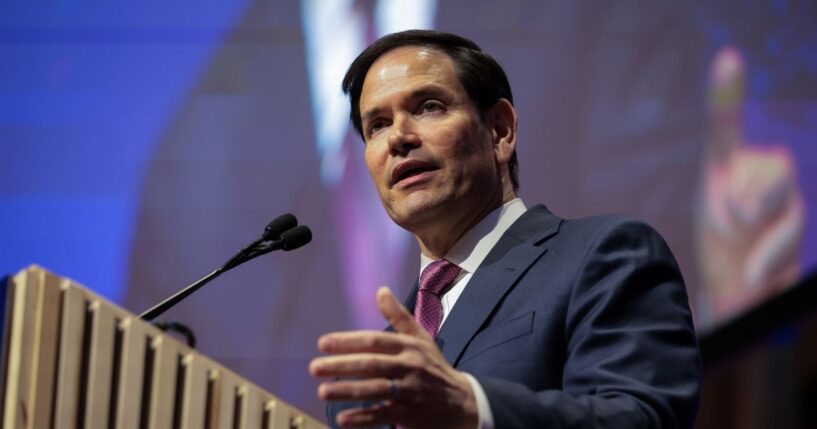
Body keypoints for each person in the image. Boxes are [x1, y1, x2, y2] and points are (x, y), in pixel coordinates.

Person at [309, 30, 701, 429]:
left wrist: (474, 407)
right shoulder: (372, 374)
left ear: (500, 131)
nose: (398, 138)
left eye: (428, 107)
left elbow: (643, 418)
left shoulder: (602, 258)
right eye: (377, 125)